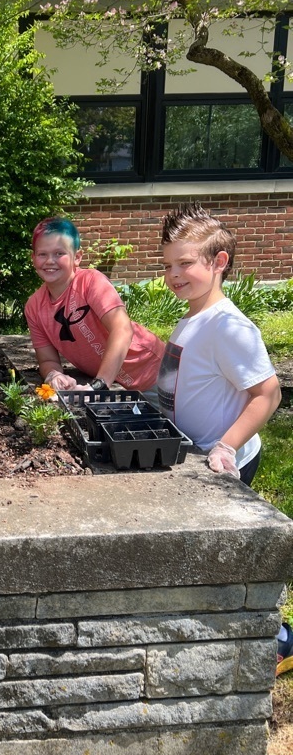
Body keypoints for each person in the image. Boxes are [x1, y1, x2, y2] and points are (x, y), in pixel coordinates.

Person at [157, 202, 286, 675]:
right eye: (167, 265)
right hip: (193, 458)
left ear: (219, 262)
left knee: (231, 561)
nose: (174, 274)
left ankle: (280, 641)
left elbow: (267, 393)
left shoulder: (230, 326)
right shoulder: (192, 318)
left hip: (223, 465)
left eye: (185, 263)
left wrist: (226, 446)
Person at [24, 217, 165, 395]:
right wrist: (54, 375)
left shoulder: (90, 282)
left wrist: (99, 385)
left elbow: (122, 329)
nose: (50, 261)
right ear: (33, 258)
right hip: (113, 383)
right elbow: (47, 360)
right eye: (42, 254)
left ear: (77, 257)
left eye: (59, 253)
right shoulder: (34, 307)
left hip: (154, 374)